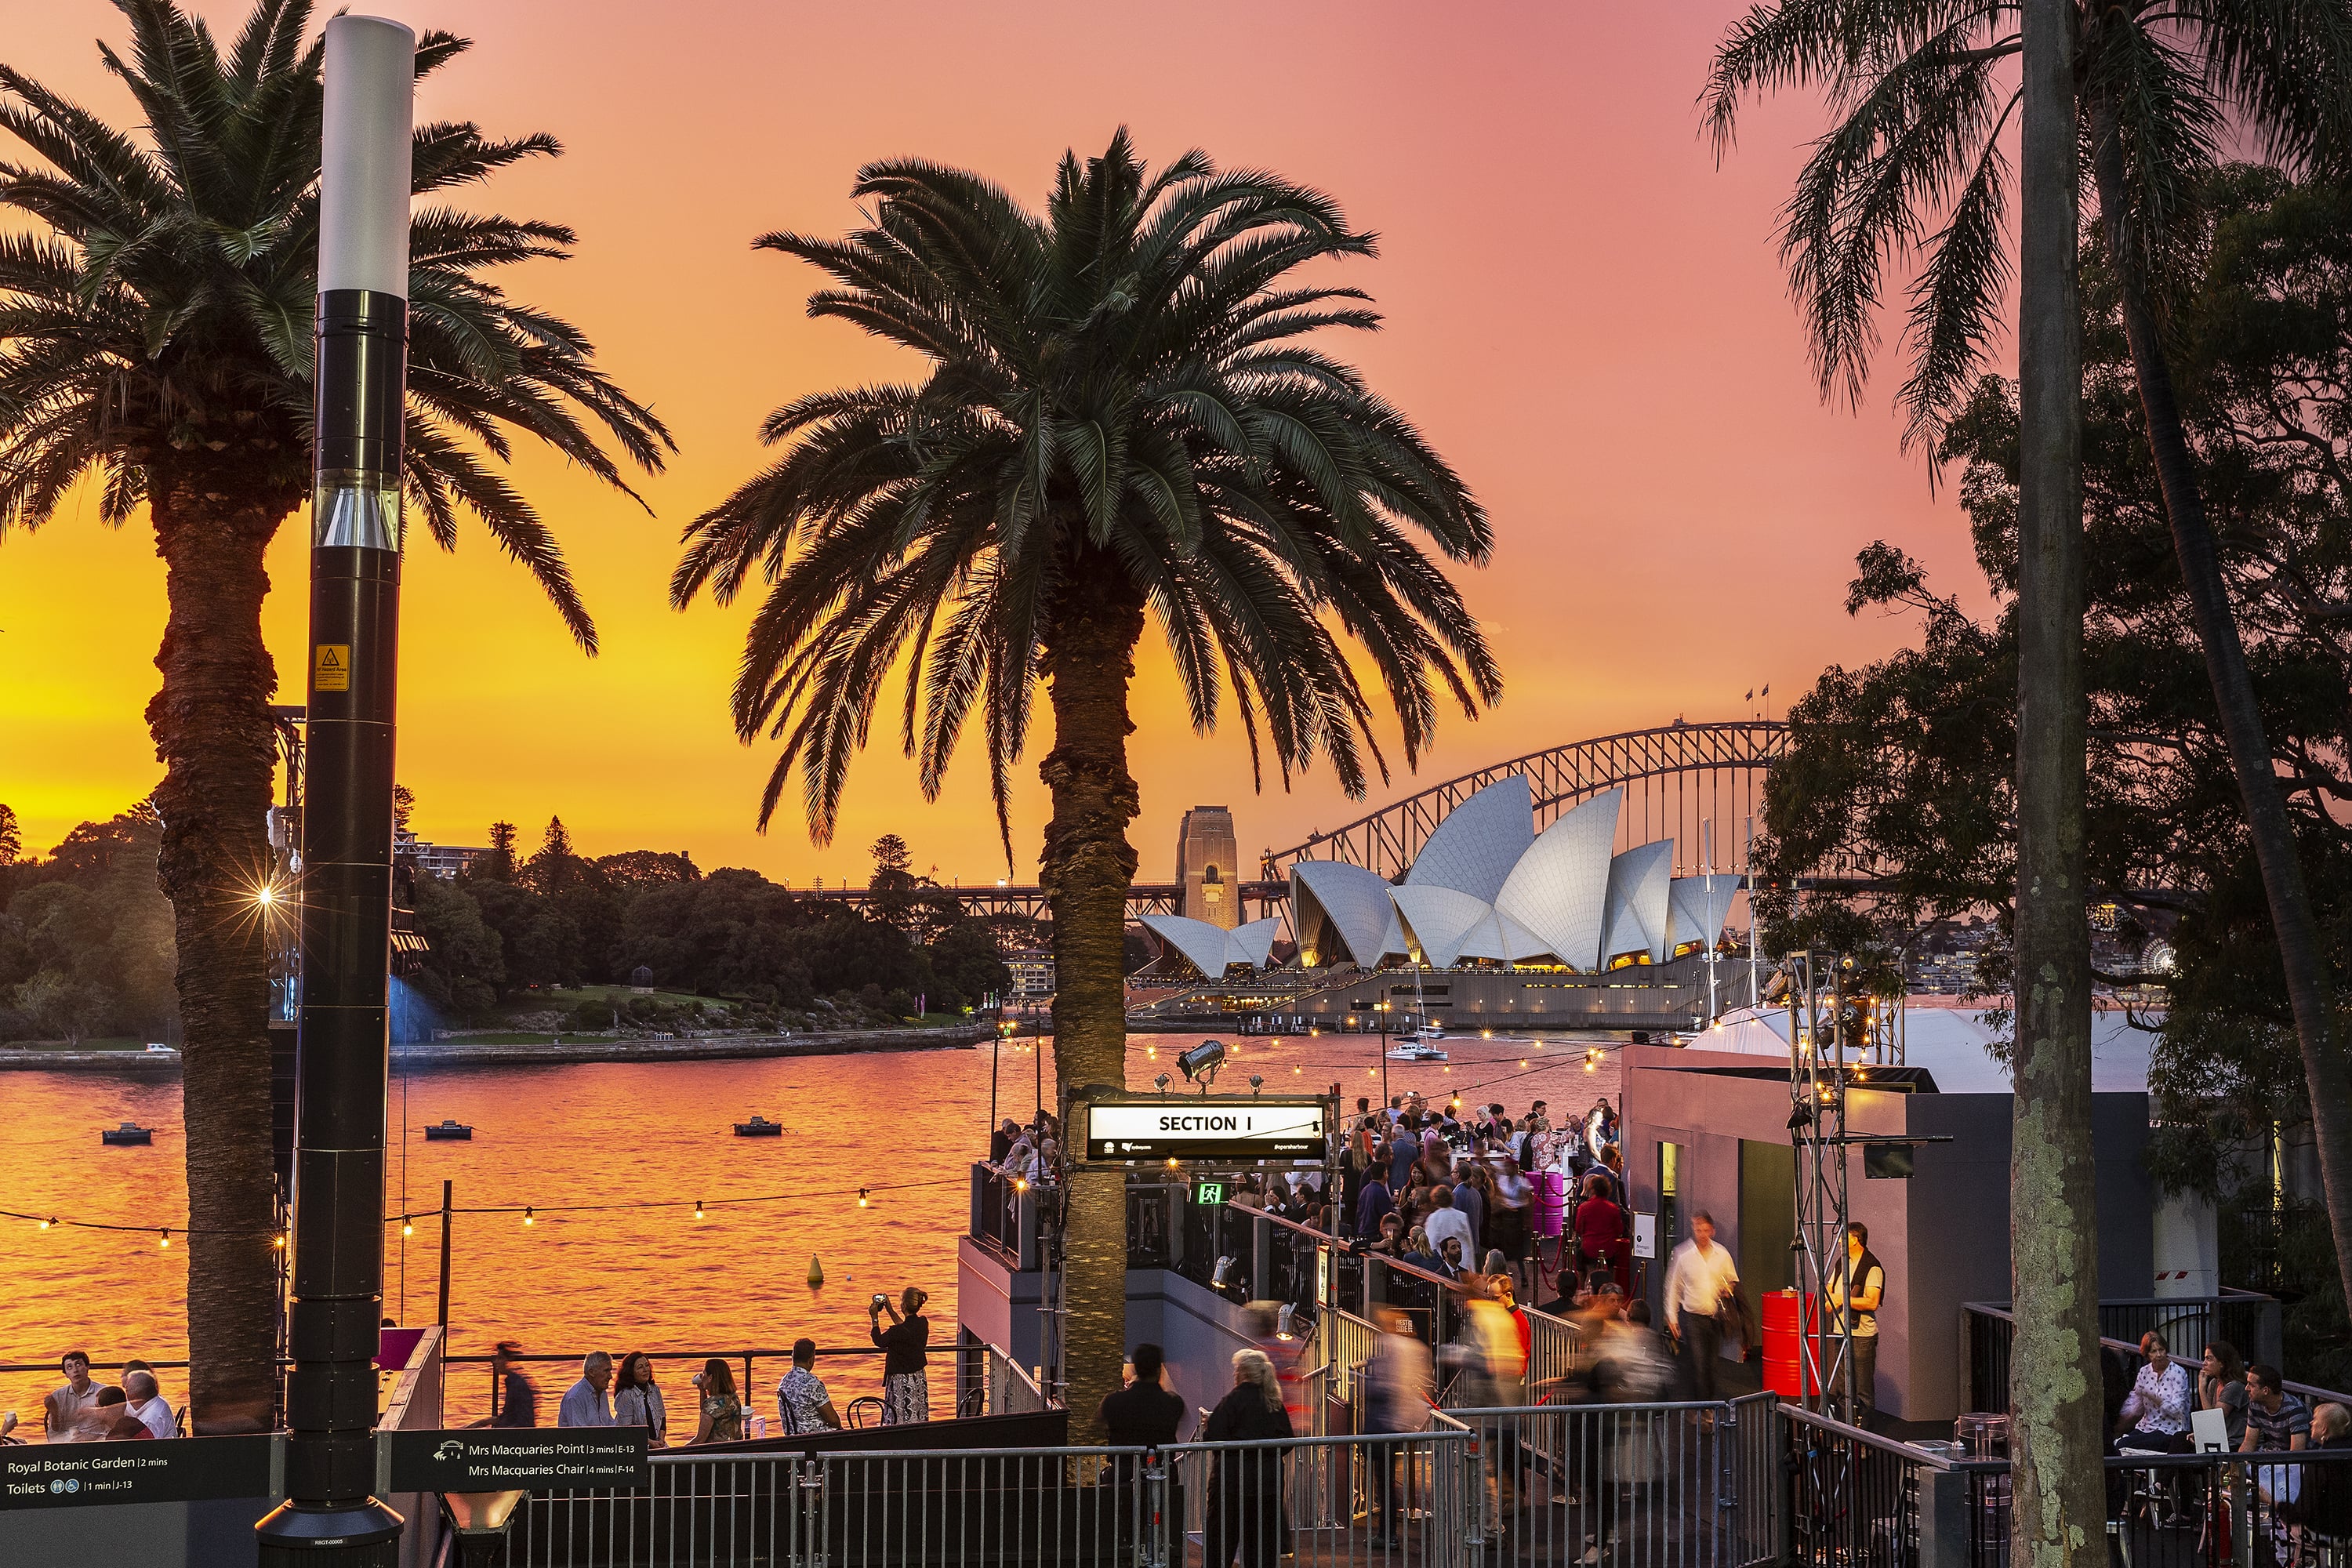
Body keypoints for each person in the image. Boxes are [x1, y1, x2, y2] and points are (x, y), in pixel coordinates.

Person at [1203, 1348, 1293, 1568]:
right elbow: (1288, 1440)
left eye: (1236, 1369)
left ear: (1241, 1372)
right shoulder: (1273, 1402)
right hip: (1267, 1484)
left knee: (1221, 1542)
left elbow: (1212, 1437)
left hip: (1231, 1484)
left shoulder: (1233, 1400)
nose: (1234, 1374)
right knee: (1262, 1546)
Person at [1363, 1307, 1435, 1548]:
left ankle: (1387, 1534)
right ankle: (1387, 1532)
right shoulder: (1417, 1348)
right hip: (1402, 1422)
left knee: (1383, 1481)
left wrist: (1365, 1384)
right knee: (1388, 1478)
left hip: (1385, 1423)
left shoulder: (1389, 1345)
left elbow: (1385, 1388)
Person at [1663, 1211, 1740, 1402]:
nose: (1702, 1234)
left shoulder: (1721, 1254)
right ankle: (1702, 1405)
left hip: (1715, 1317)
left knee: (1712, 1364)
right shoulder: (1684, 1255)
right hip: (1694, 1317)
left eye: (1705, 1230)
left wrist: (1727, 1289)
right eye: (1698, 1229)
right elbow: (1673, 1287)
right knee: (1699, 1362)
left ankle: (1707, 1402)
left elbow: (1732, 1279)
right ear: (1693, 1229)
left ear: (1712, 1231)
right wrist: (1672, 1316)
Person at [1825, 1222, 1886, 1425]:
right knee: (1843, 1388)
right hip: (1841, 1331)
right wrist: (1831, 1299)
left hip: (1862, 1336)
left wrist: (1842, 1299)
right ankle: (1845, 1432)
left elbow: (1872, 1301)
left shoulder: (1872, 1266)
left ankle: (1864, 1438)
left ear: (1855, 1240)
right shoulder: (1841, 1264)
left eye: (1844, 1238)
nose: (1840, 1242)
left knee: (1862, 1390)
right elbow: (1829, 1292)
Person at [2113, 1332, 2193, 1454]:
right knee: (2119, 1444)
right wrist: (2120, 1423)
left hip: (2170, 1429)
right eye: (2154, 1351)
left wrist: (2156, 1398)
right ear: (2147, 1354)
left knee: (2124, 1444)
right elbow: (2134, 1403)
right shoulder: (2144, 1372)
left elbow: (2178, 1410)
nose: (2159, 1355)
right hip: (2146, 1427)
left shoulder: (2178, 1373)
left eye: (2161, 1350)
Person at [1101, 1342, 1186, 1449]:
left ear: (1136, 1368)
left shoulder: (1113, 1402)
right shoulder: (1173, 1403)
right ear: (1158, 1370)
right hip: (1162, 1464)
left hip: (1124, 1464)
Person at [872, 1286, 932, 1424]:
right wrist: (890, 1310)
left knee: (899, 1415)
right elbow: (906, 1328)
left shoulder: (896, 1332)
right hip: (918, 1377)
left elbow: (879, 1340)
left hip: (900, 1379)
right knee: (917, 1413)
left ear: (904, 1305)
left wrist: (874, 1318)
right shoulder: (922, 1323)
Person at [1573, 1174, 1631, 1299]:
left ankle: (1582, 1297)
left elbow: (1578, 1229)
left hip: (1589, 1249)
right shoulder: (1613, 1208)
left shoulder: (1584, 1207)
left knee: (1585, 1271)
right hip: (1609, 1250)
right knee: (1610, 1273)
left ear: (1593, 1189)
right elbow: (1619, 1229)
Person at [776, 1340, 842, 1435]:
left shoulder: (784, 1381)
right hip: (815, 1439)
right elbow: (834, 1421)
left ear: (793, 1357)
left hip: (792, 1437)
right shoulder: (812, 1384)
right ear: (811, 1360)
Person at [45, 1351, 111, 1443]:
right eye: (70, 1367)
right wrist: (55, 1414)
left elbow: (113, 1430)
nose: (75, 1370)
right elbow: (53, 1436)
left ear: (87, 1367)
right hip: (68, 1447)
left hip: (98, 1445)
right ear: (66, 1374)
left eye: (78, 1364)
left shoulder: (104, 1392)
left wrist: (91, 1438)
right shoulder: (58, 1396)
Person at [2198, 1341, 2250, 1451]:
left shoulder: (2234, 1387)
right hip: (2218, 1440)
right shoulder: (2214, 1383)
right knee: (2182, 1438)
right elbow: (2209, 1421)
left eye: (2209, 1359)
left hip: (2233, 1443)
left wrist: (2201, 1389)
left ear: (2222, 1363)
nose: (2204, 1363)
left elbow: (2214, 1420)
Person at [611, 1352, 667, 1446]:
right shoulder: (626, 1395)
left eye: (647, 1365)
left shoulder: (655, 1389)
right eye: (640, 1367)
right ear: (631, 1372)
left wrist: (661, 1440)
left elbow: (663, 1419)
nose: (646, 1370)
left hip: (659, 1444)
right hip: (636, 1446)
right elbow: (626, 1430)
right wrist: (651, 1443)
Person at [689, 1358, 745, 1445]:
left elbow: (700, 1440)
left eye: (704, 1373)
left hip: (716, 1452)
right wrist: (702, 1391)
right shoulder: (734, 1397)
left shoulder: (713, 1403)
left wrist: (675, 1453)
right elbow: (706, 1411)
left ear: (710, 1378)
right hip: (735, 1447)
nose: (701, 1376)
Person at [558, 1351, 617, 1428]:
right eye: (606, 1371)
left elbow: (608, 1423)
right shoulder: (575, 1397)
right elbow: (580, 1434)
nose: (610, 1376)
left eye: (610, 1371)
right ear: (591, 1372)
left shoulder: (602, 1391)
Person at [489, 1341, 538, 1428]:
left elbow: (522, 1421)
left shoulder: (517, 1385)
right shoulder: (513, 1382)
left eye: (500, 1358)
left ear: (508, 1361)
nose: (496, 1362)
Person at [1422, 1185, 1475, 1261]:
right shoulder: (1462, 1216)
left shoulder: (1434, 1218)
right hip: (1463, 1260)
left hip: (1444, 1262)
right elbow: (1469, 1242)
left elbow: (1431, 1244)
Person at [121, 1368, 176, 1439]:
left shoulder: (151, 1420)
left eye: (127, 1389)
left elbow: (147, 1447)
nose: (126, 1393)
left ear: (135, 1394)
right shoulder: (150, 1401)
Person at [1356, 1167, 1394, 1240]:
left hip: (1362, 1232)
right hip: (1375, 1234)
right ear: (1384, 1174)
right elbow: (1387, 1215)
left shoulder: (1365, 1190)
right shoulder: (1381, 1192)